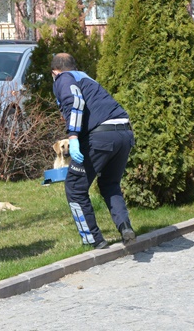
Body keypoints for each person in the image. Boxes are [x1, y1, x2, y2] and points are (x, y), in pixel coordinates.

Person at [51, 53, 136, 249]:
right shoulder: (85, 77)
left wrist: (72, 137)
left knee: (75, 186)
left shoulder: (63, 78)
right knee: (109, 182)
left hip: (101, 136)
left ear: (54, 72)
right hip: (124, 131)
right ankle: (125, 228)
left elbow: (75, 102)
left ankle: (94, 239)